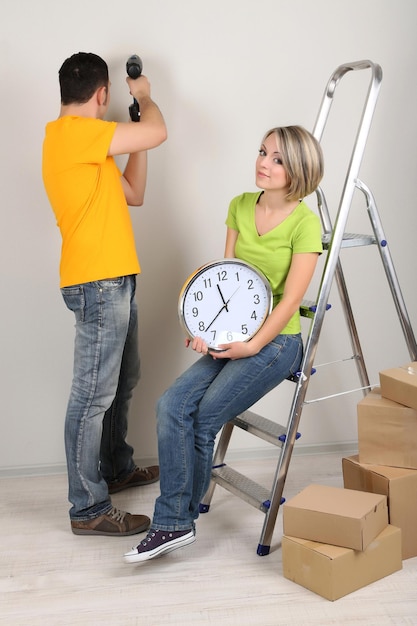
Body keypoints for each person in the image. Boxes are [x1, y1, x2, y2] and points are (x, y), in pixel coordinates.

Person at [123, 125, 324, 562]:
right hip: (233, 335)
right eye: (262, 152)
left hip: (275, 344)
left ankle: (173, 521)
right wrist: (205, 329)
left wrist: (252, 346)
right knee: (171, 405)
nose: (263, 163)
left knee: (203, 416)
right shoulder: (239, 206)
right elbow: (226, 278)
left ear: (299, 170)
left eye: (276, 159)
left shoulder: (307, 224)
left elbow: (290, 301)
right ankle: (180, 517)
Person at [42, 52, 167, 536]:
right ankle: (88, 508)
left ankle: (115, 468)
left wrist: (134, 133)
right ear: (102, 94)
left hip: (114, 277)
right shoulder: (76, 136)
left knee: (122, 379)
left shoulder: (85, 146)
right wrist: (147, 99)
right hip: (98, 282)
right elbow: (159, 131)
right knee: (92, 396)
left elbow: (134, 193)